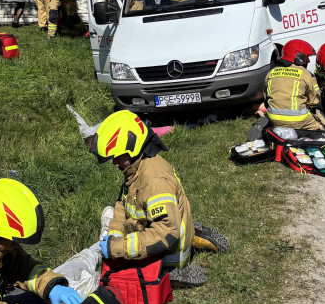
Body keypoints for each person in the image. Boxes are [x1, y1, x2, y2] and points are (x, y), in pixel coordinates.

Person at [90, 110, 225, 288]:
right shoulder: (136, 168)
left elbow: (165, 233)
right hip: (154, 231)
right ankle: (188, 227)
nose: (114, 163)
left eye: (117, 157)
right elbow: (123, 204)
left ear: (132, 146)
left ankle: (175, 272)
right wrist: (115, 233)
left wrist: (118, 248)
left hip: (166, 254)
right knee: (168, 222)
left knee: (133, 281)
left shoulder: (154, 181)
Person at [263, 39, 325, 132]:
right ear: (300, 57)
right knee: (324, 128)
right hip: (300, 120)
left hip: (274, 119)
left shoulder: (270, 73)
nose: (308, 61)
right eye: (307, 57)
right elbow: (314, 102)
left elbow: (266, 100)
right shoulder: (306, 74)